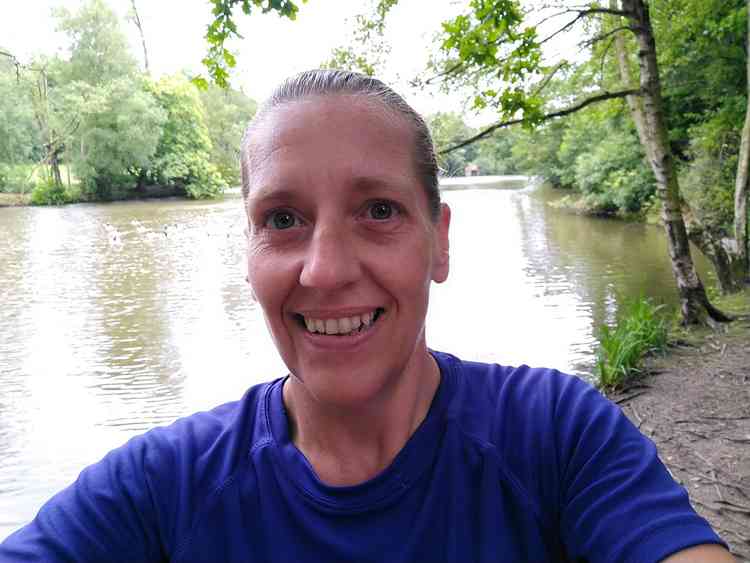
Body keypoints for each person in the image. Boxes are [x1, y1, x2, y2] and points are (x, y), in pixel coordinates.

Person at [0, 69, 735, 563]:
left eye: (379, 210)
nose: (325, 269)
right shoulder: (166, 485)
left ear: (438, 240)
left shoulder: (554, 434)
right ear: (248, 251)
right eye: (283, 217)